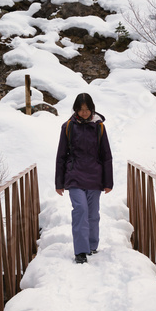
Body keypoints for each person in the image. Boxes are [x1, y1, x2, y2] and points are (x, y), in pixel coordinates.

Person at [55, 93, 113, 264]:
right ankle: (80, 251)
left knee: (93, 214)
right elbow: (61, 156)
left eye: (87, 109)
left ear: (92, 109)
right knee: (80, 210)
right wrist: (59, 183)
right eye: (81, 110)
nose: (84, 113)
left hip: (95, 176)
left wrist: (108, 182)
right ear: (76, 110)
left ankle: (92, 244)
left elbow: (106, 156)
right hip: (74, 176)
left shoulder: (99, 127)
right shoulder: (68, 127)